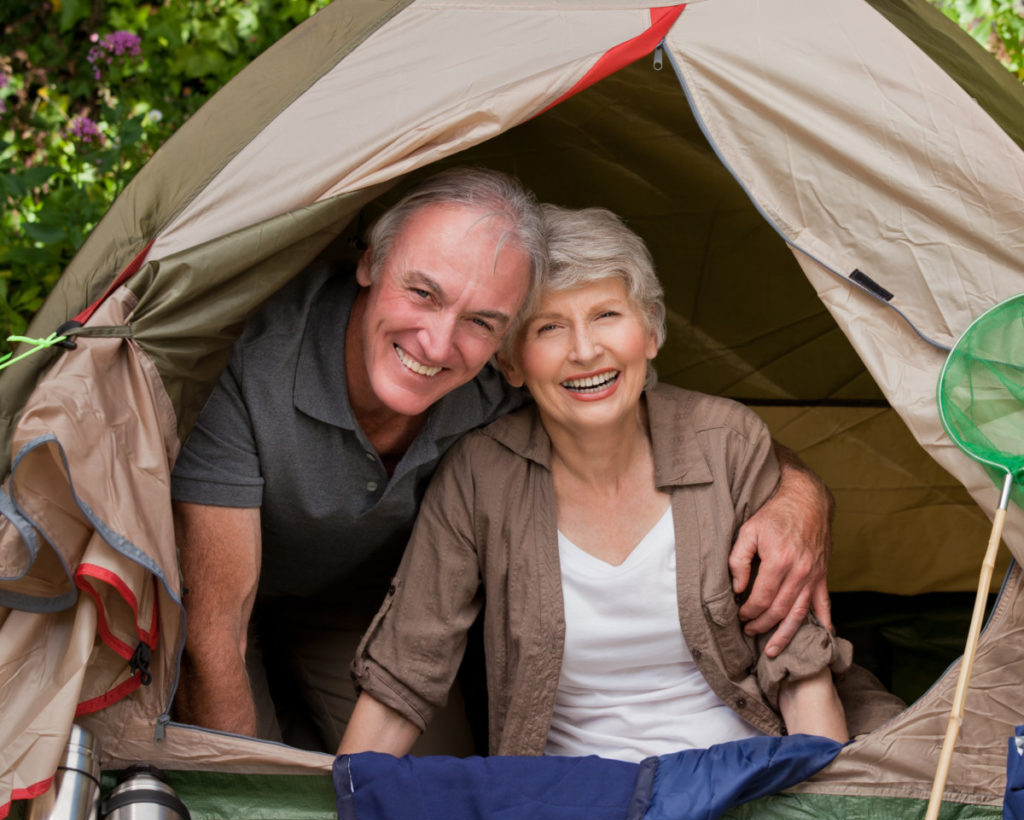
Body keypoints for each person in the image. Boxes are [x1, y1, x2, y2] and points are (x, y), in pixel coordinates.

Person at [171, 169, 835, 752]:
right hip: (226, 595)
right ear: (369, 262)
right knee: (248, 763)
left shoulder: (504, 385)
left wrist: (801, 498)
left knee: (428, 796)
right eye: (423, 293)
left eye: (482, 321)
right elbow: (215, 636)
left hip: (360, 604)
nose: (437, 343)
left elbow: (709, 442)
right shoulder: (257, 365)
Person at [340, 206, 903, 760]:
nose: (585, 351)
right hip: (581, 806)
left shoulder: (725, 440)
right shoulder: (481, 474)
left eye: (607, 314)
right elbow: (404, 674)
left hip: (745, 779)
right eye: (549, 327)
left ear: (652, 330)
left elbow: (798, 669)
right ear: (510, 362)